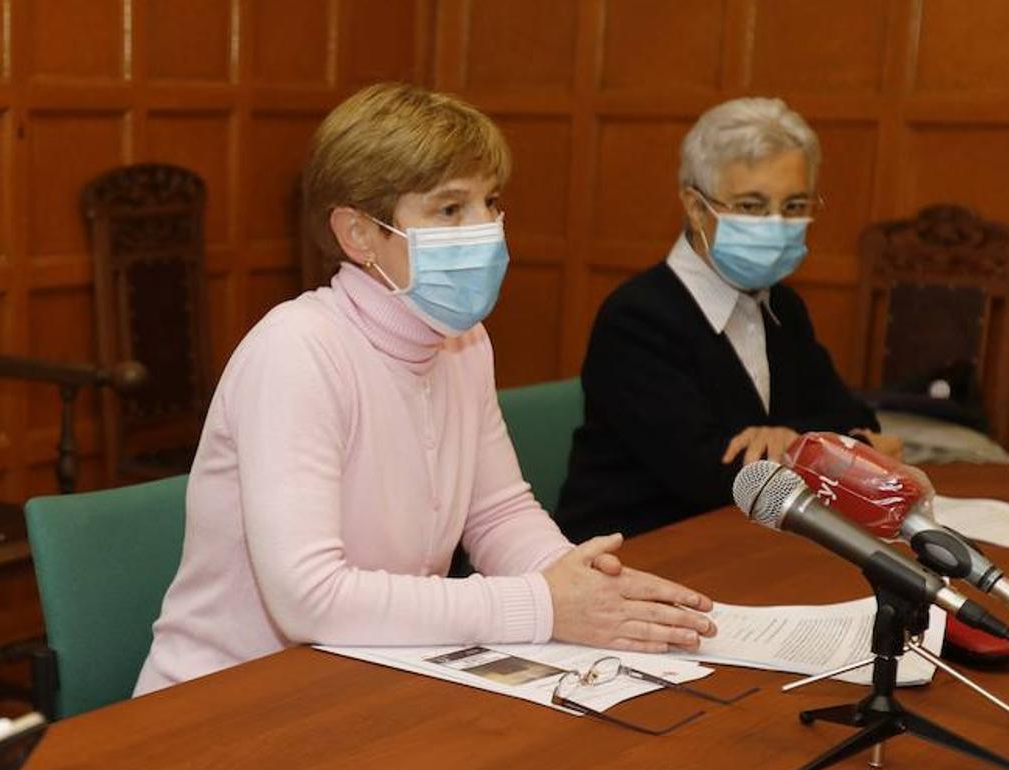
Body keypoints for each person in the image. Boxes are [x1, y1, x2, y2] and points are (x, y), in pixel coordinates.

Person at [134, 83, 716, 694]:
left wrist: (583, 585)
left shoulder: (462, 342)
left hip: (370, 675)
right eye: (449, 210)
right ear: (359, 234)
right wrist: (542, 604)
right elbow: (307, 598)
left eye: (489, 202)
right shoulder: (297, 350)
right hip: (226, 698)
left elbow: (498, 514)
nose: (485, 228)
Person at [556, 97, 891, 543]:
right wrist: (835, 452)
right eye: (751, 206)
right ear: (696, 209)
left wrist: (789, 440)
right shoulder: (637, 318)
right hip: (638, 551)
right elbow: (710, 476)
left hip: (748, 542)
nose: (776, 224)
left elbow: (853, 415)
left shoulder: (783, 307)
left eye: (793, 207)